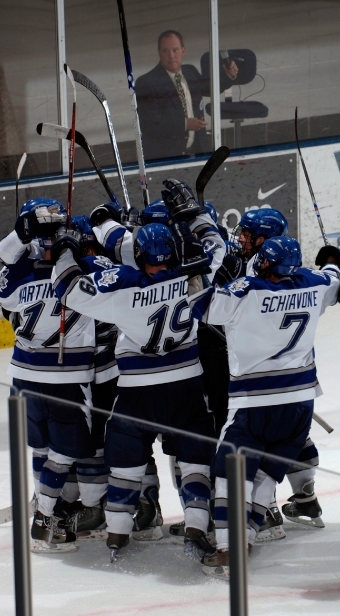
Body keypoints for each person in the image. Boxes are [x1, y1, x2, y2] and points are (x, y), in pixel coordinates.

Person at [51, 187, 226, 560]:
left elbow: (68, 289)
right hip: (187, 386)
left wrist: (68, 248)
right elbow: (216, 245)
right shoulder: (194, 273)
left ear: (140, 255)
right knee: (195, 459)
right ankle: (196, 527)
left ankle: (118, 535)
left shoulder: (123, 287)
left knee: (127, 460)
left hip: (137, 392)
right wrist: (195, 214)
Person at [190, 236, 340, 577]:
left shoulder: (245, 291)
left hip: (252, 404)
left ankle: (229, 550)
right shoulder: (313, 283)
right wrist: (332, 258)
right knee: (266, 475)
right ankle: (246, 539)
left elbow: (200, 304)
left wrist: (195, 267)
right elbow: (335, 276)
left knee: (231, 474)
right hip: (300, 405)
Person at [0, 199, 101, 552]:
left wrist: (20, 243)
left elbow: (1, 287)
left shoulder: (20, 272)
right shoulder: (85, 269)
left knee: (40, 447)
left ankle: (45, 504)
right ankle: (45, 517)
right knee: (64, 452)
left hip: (23, 374)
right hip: (66, 377)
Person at [138, 30, 209, 160]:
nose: (171, 56)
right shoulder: (146, 83)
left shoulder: (191, 71)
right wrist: (185, 124)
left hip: (198, 153)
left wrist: (229, 75)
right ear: (159, 53)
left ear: (183, 50)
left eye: (175, 50)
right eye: (165, 51)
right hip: (165, 157)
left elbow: (210, 89)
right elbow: (148, 125)